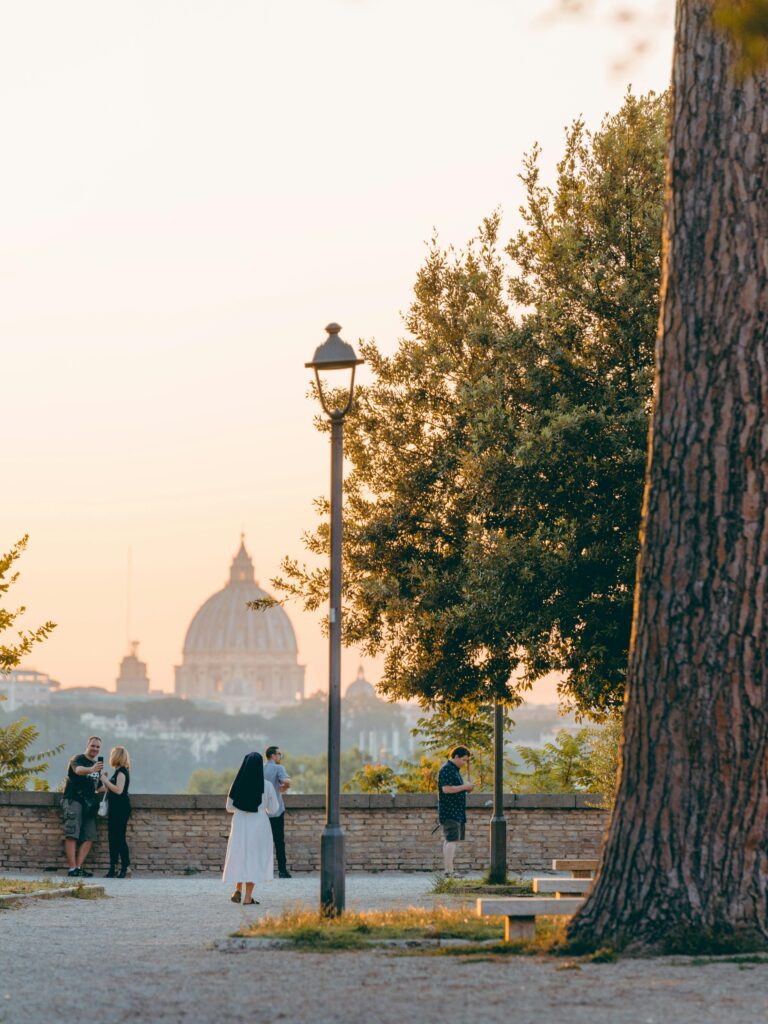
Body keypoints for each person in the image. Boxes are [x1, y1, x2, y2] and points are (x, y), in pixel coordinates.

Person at [223, 752, 279, 905]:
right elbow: (274, 809)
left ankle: (238, 889)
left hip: (240, 822)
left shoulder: (236, 784)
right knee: (254, 858)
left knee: (240, 855)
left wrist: (243, 807)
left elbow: (229, 807)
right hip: (259, 824)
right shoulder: (266, 785)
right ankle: (248, 898)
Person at [61, 735, 105, 878]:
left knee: (90, 836)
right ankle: (72, 869)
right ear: (87, 745)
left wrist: (112, 785)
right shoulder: (77, 759)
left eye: (98, 747)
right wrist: (92, 768)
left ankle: (78, 867)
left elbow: (98, 788)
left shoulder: (96, 767)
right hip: (74, 800)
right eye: (93, 745)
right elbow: (78, 770)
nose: (95, 749)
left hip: (89, 804)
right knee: (72, 834)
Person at [437, 746, 473, 877]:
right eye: (463, 760)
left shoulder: (454, 770)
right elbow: (446, 789)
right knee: (452, 840)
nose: (464, 763)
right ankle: (449, 871)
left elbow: (454, 788)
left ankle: (449, 870)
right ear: (456, 756)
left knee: (450, 840)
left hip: (455, 810)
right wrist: (465, 786)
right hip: (450, 810)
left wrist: (465, 788)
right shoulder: (447, 769)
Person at [99, 746, 132, 878]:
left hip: (121, 808)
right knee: (112, 839)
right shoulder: (117, 771)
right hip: (114, 808)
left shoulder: (122, 771)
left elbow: (119, 790)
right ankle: (112, 868)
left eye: (112, 754)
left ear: (117, 756)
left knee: (119, 838)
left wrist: (106, 780)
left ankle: (125, 867)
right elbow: (110, 789)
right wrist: (103, 783)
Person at [263, 745, 292, 878]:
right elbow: (286, 781)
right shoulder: (278, 768)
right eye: (279, 754)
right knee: (279, 841)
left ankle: (263, 870)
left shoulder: (260, 768)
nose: (281, 756)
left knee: (261, 842)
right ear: (273, 756)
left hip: (262, 811)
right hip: (276, 811)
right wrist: (284, 788)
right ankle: (282, 870)